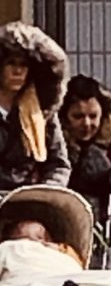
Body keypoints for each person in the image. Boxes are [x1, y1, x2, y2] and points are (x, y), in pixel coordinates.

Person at [59, 75, 111, 242]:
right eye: (78, 116)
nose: (87, 124)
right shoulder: (52, 137)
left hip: (102, 210)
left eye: (93, 116)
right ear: (64, 117)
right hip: (62, 204)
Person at [0, 21, 70, 190]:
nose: (18, 71)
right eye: (11, 63)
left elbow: (58, 165)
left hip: (28, 201)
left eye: (23, 65)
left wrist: (44, 192)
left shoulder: (41, 113)